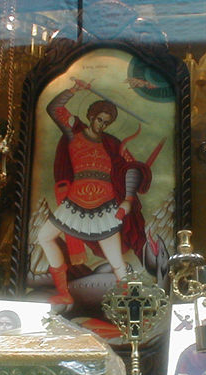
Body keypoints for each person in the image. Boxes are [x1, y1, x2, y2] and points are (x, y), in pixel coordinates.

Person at [37, 78, 152, 304]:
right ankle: (64, 293)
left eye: (106, 122)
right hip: (75, 202)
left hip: (104, 204)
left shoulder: (112, 144)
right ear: (91, 116)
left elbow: (131, 169)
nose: (102, 125)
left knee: (116, 260)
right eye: (99, 119)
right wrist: (74, 89)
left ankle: (132, 302)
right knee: (44, 237)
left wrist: (128, 200)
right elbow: (54, 109)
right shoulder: (74, 130)